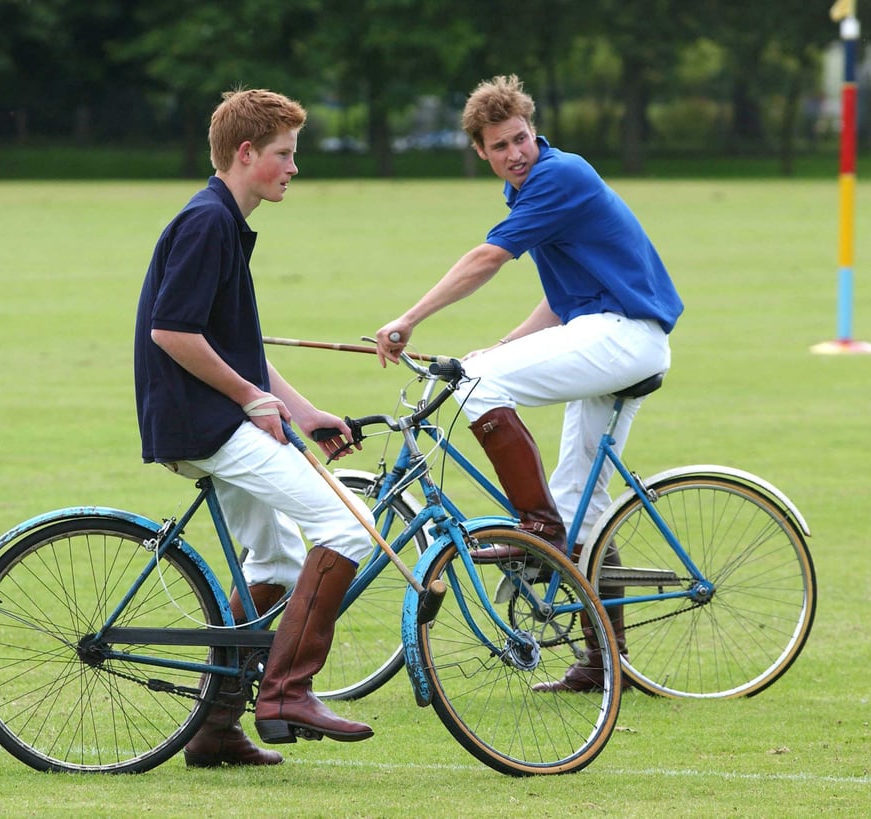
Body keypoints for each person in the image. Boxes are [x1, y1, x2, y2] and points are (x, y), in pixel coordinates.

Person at [375, 75, 683, 693]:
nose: (516, 152)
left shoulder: (557, 175)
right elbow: (562, 297)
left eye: (521, 138)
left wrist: (409, 318)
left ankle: (535, 530)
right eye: (500, 145)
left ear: (532, 131)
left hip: (624, 334)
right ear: (481, 152)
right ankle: (605, 661)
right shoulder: (534, 191)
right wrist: (505, 345)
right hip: (617, 333)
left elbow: (489, 259)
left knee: (479, 385)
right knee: (583, 507)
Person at [134, 88, 374, 767]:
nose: (293, 167)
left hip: (212, 414)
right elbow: (172, 331)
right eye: (283, 154)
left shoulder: (226, 222)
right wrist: (249, 397)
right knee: (348, 527)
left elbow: (237, 344)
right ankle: (287, 692)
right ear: (246, 154)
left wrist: (297, 408)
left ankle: (215, 728)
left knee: (275, 562)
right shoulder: (208, 222)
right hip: (203, 420)